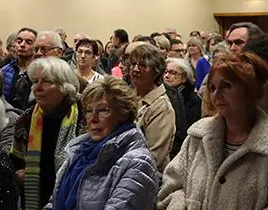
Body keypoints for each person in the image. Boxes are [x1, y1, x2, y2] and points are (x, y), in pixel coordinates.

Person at [158, 52, 268, 209]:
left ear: (249, 90)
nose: (216, 94)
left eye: (226, 86)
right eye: (212, 88)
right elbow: (172, 185)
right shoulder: (198, 137)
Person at [46, 76, 159, 210]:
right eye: (89, 111)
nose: (93, 119)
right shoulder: (77, 152)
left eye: (103, 110)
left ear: (123, 113)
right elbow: (53, 202)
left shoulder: (138, 162)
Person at [10, 57, 85, 210]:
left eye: (46, 82)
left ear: (65, 87)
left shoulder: (85, 116)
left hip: (76, 198)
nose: (37, 88)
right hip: (36, 198)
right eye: (35, 81)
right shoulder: (26, 118)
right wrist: (17, 175)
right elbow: (15, 161)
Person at [127, 43, 176, 172]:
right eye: (133, 64)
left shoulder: (161, 108)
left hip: (143, 175)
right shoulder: (129, 95)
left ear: (156, 72)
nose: (135, 69)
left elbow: (153, 158)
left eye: (143, 65)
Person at [2, 27, 38, 111]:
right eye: (19, 41)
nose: (22, 45)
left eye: (28, 42)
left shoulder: (39, 72)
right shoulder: (5, 71)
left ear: (35, 47)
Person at [164, 58, 201, 127]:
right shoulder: (163, 95)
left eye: (172, 73)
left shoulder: (192, 100)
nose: (166, 76)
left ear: (184, 78)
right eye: (165, 72)